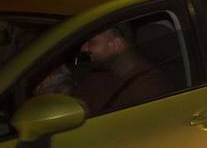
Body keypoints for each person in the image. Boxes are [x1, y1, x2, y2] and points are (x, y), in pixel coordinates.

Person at [36, 25, 173, 116]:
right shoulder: (97, 76)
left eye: (92, 41)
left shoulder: (148, 88)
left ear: (115, 44)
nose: (84, 48)